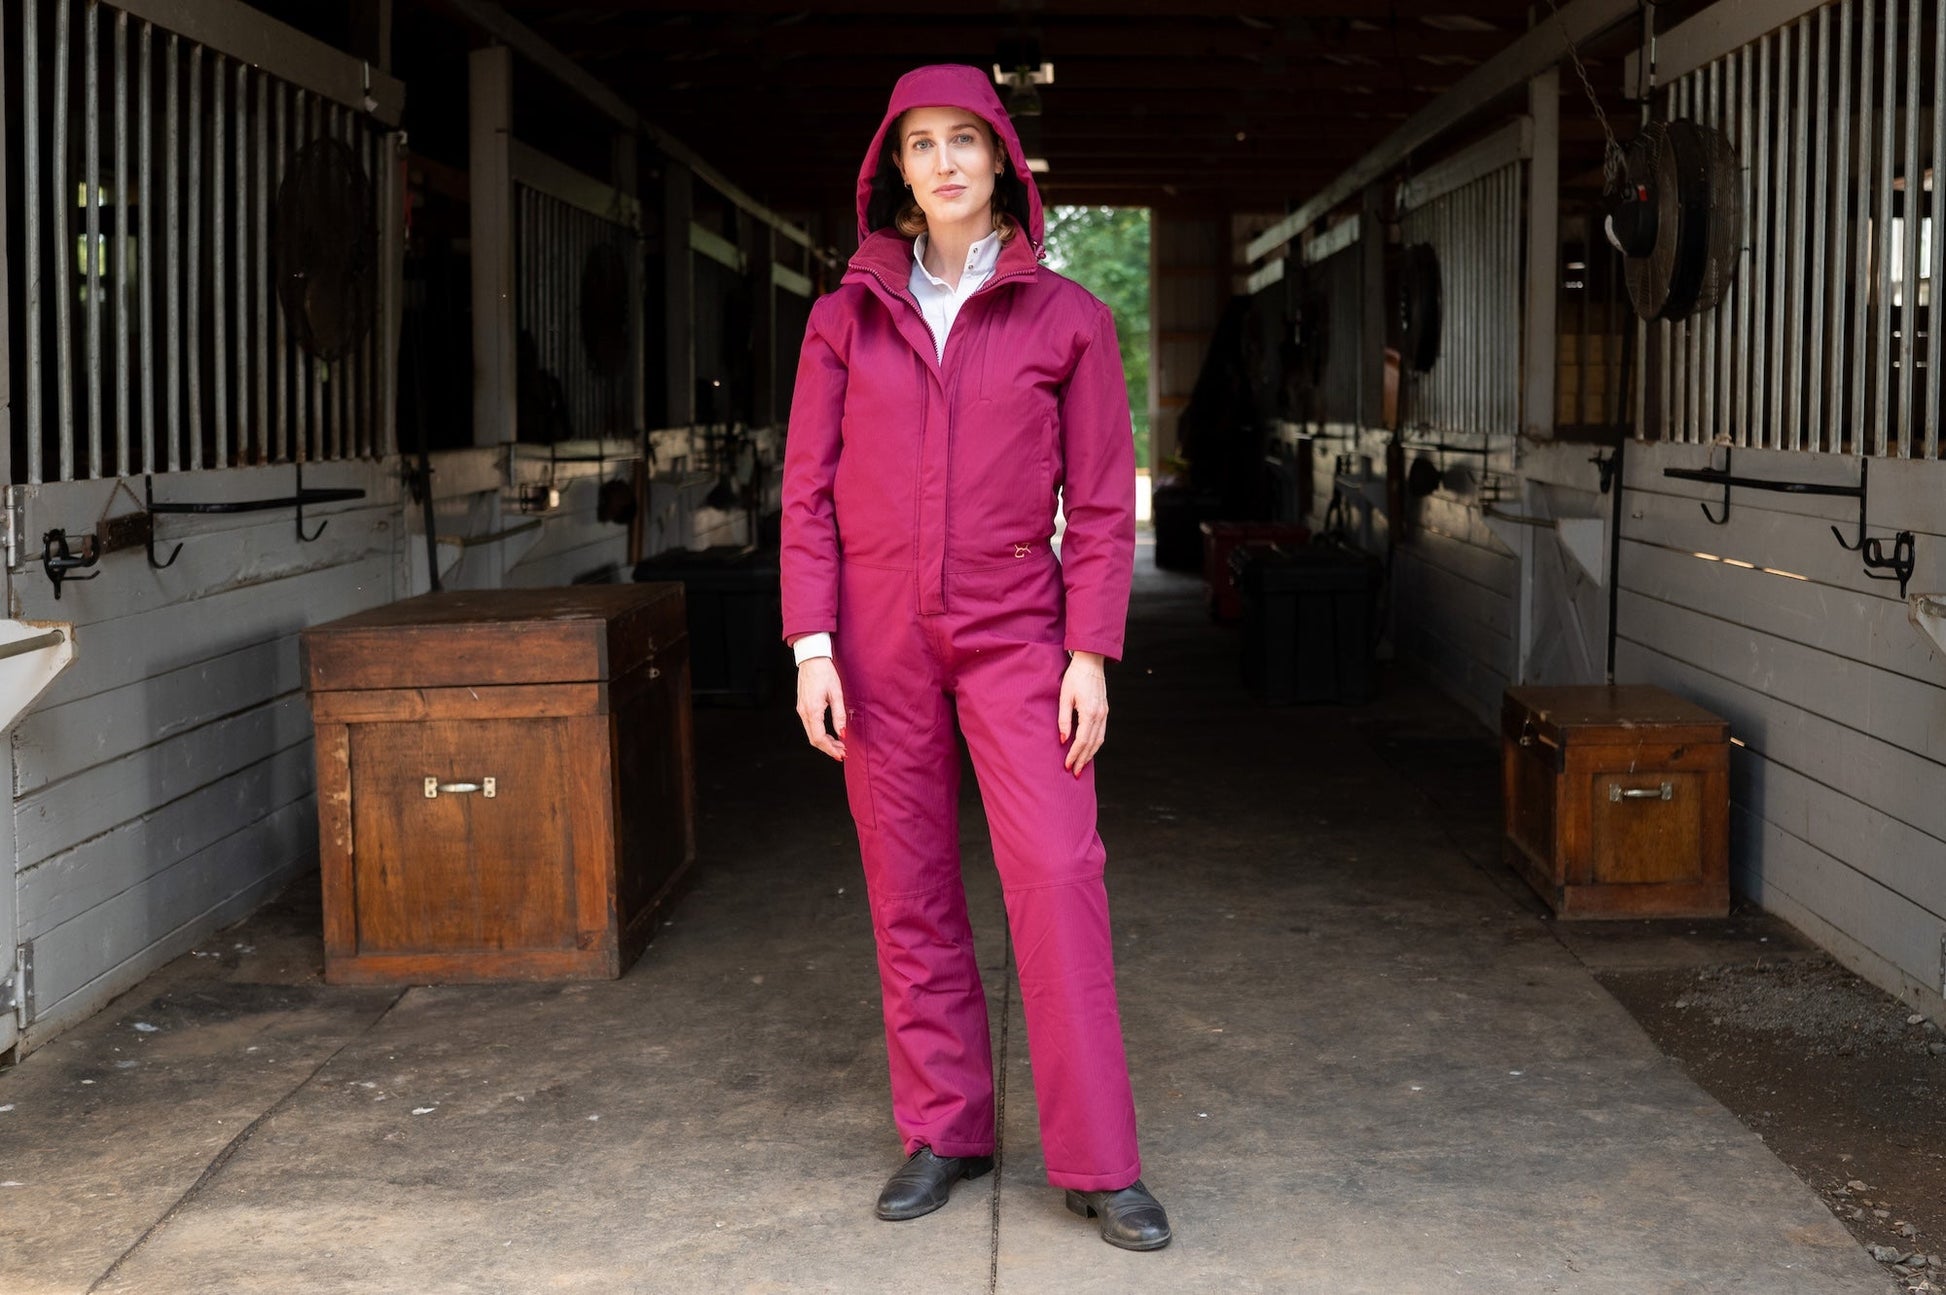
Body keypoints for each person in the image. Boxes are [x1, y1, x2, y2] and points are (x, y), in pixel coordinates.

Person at [779, 64, 1169, 1252]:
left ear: (1001, 157)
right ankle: (944, 1129)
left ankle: (1099, 1159)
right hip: (875, 632)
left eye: (964, 139)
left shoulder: (1067, 318)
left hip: (1014, 626)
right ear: (893, 170)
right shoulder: (843, 317)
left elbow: (1098, 503)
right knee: (907, 882)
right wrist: (811, 645)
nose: (943, 162)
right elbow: (805, 493)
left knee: (1055, 869)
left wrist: (1088, 651)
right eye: (920, 144)